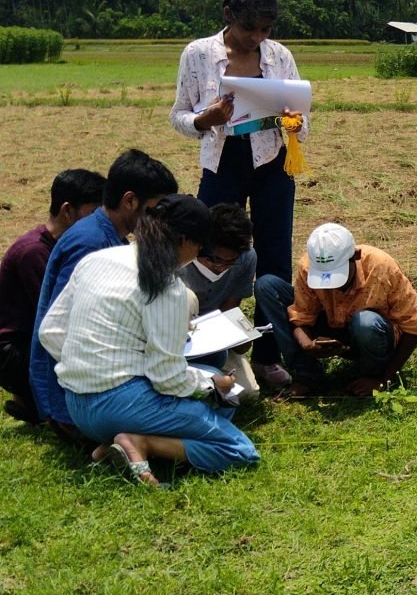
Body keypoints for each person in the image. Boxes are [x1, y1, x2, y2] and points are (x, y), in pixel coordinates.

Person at [36, 195, 257, 485]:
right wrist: (210, 385)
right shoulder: (166, 285)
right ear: (183, 241)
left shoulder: (96, 260)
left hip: (76, 404)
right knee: (240, 449)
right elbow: (167, 378)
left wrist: (90, 366)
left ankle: (118, 444)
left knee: (217, 389)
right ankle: (141, 443)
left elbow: (50, 332)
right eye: (199, 247)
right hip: (124, 403)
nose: (198, 254)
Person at [170, 0, 307, 387]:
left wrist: (294, 122)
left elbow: (302, 115)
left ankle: (267, 356)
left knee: (275, 259)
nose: (257, 38)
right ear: (228, 15)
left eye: (265, 29)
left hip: (272, 163)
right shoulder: (198, 54)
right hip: (222, 161)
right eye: (250, 28)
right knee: (207, 252)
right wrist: (203, 120)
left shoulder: (280, 56)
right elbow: (178, 114)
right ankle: (203, 347)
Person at [28, 149, 178, 435]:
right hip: (74, 399)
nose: (159, 220)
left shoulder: (108, 236)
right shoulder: (90, 244)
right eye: (154, 210)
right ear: (130, 201)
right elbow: (59, 330)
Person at [254, 223, 417, 398]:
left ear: (355, 256)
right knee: (267, 286)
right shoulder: (308, 265)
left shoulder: (381, 267)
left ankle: (371, 374)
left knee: (366, 322)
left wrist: (384, 379)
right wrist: (307, 344)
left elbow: (415, 326)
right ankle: (308, 376)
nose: (332, 287)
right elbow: (301, 315)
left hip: (374, 335)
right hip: (332, 325)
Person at [0, 168, 104, 424]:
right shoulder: (34, 252)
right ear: (67, 210)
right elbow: (55, 315)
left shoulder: (56, 245)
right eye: (93, 213)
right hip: (13, 352)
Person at [176, 203, 257, 318]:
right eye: (215, 260)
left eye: (230, 263)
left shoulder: (246, 258)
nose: (221, 268)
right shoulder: (180, 256)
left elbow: (229, 309)